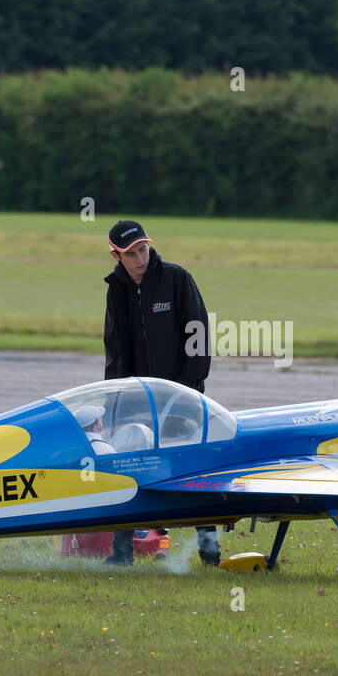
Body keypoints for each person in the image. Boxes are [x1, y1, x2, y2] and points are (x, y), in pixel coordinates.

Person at [102, 220, 217, 565]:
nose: (140, 257)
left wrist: (190, 391)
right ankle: (121, 553)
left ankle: (210, 550)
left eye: (143, 248)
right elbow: (115, 350)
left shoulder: (176, 279)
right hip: (135, 401)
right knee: (128, 469)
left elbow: (198, 338)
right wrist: (113, 402)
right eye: (131, 253)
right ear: (116, 255)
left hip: (181, 398)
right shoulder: (116, 290)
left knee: (194, 471)